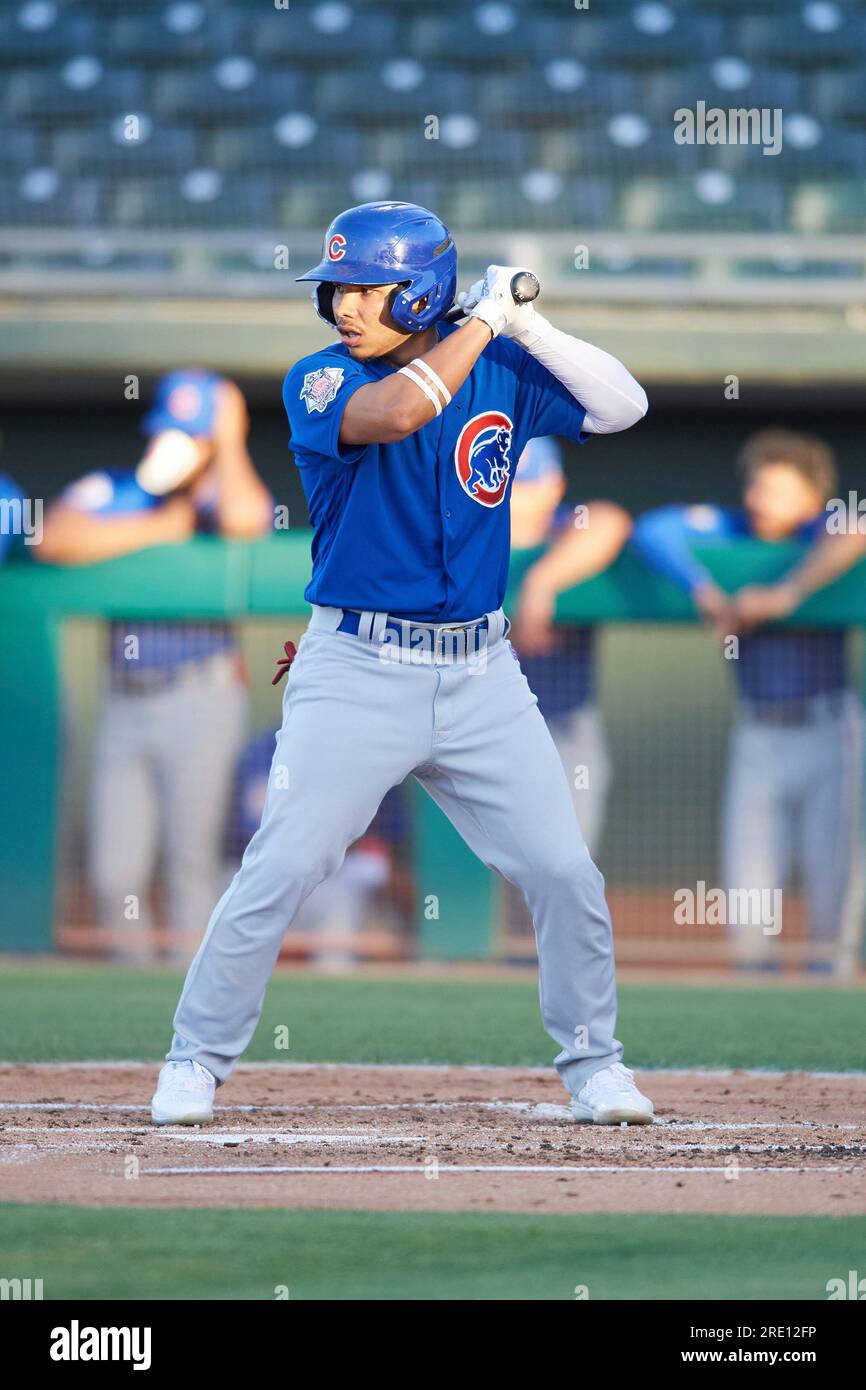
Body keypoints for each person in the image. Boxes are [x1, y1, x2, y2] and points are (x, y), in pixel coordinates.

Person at [151, 199, 652, 1127]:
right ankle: (195, 1058)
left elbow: (625, 405)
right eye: (339, 285)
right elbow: (395, 412)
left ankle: (595, 1066)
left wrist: (526, 323)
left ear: (422, 290)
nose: (346, 303)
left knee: (562, 870)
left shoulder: (499, 360)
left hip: (482, 672)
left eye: (370, 287)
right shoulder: (321, 380)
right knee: (286, 861)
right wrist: (484, 324)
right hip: (358, 665)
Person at [37, 371, 272, 964]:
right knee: (115, 871)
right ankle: (132, 1000)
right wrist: (163, 529)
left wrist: (229, 438)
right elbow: (52, 539)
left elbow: (248, 520)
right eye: (170, 432)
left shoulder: (219, 500)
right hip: (126, 697)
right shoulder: (119, 490)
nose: (173, 447)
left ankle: (192, 1009)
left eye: (190, 436)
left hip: (202, 694)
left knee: (192, 863)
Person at [630, 429, 866, 973]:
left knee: (833, 893)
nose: (762, 502)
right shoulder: (730, 530)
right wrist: (703, 588)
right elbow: (653, 530)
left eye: (779, 491)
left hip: (830, 727)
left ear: (810, 499)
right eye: (758, 488)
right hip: (758, 730)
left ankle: (826, 1004)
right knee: (751, 894)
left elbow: (854, 528)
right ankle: (757, 1000)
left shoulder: (822, 527)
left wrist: (786, 593)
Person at [509, 436, 632, 857]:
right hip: (478, 728)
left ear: (553, 485)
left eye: (524, 484)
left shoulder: (568, 529)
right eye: (503, 483)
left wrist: (541, 583)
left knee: (564, 868)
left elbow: (611, 520)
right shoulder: (460, 531)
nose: (512, 497)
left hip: (564, 725)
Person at [226, 729, 413, 968]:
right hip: (266, 876)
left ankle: (334, 991)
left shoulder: (373, 751)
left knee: (347, 895)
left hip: (334, 880)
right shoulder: (266, 749)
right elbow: (254, 834)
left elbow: (393, 848)